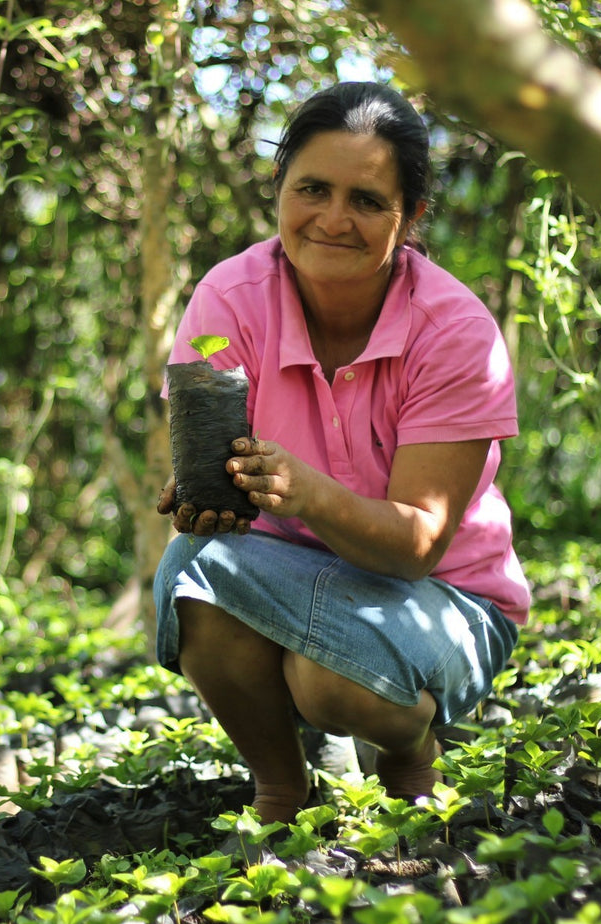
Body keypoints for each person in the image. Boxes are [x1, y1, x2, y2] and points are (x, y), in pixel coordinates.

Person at [154, 82, 530, 824]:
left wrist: (305, 491)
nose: (332, 219)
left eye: (365, 201)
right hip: (281, 581)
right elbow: (213, 490)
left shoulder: (454, 331)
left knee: (330, 680)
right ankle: (279, 788)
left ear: (410, 217)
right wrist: (204, 493)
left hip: (446, 601)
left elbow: (417, 545)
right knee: (190, 569)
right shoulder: (229, 297)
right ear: (279, 189)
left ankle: (407, 746)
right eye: (313, 189)